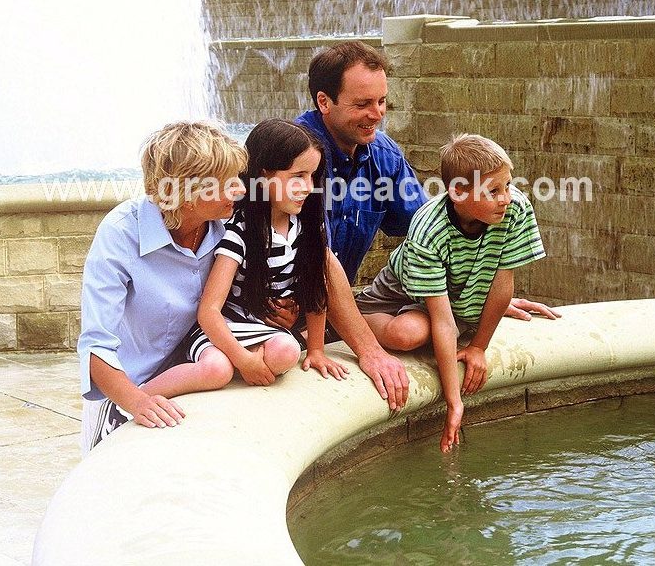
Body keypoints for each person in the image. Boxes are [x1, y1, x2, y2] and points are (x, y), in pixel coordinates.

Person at [291, 40, 560, 322]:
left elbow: (434, 229)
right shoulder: (289, 156)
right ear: (324, 101)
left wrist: (482, 300)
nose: (377, 114)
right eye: (362, 104)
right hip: (275, 316)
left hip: (333, 312)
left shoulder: (385, 156)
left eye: (381, 101)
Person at [355, 134, 547, 451]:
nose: (506, 198)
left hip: (446, 294)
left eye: (508, 186)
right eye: (493, 191)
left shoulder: (514, 211)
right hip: (397, 295)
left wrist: (478, 347)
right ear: (457, 191)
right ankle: (355, 316)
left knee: (429, 326)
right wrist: (454, 400)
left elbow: (502, 283)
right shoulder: (429, 226)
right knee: (408, 334)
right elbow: (444, 322)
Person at [77, 121, 248, 454]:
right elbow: (96, 346)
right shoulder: (120, 233)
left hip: (201, 369)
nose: (241, 190)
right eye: (228, 183)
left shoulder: (229, 222)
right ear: (186, 193)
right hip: (127, 392)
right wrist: (136, 402)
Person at [152, 119, 349, 392]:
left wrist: (316, 350)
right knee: (216, 369)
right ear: (265, 175)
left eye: (313, 176)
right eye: (298, 176)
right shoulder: (240, 231)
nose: (308, 186)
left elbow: (316, 288)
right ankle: (133, 401)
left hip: (262, 332)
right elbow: (209, 311)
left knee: (286, 353)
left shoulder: (306, 228)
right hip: (222, 329)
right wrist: (244, 360)